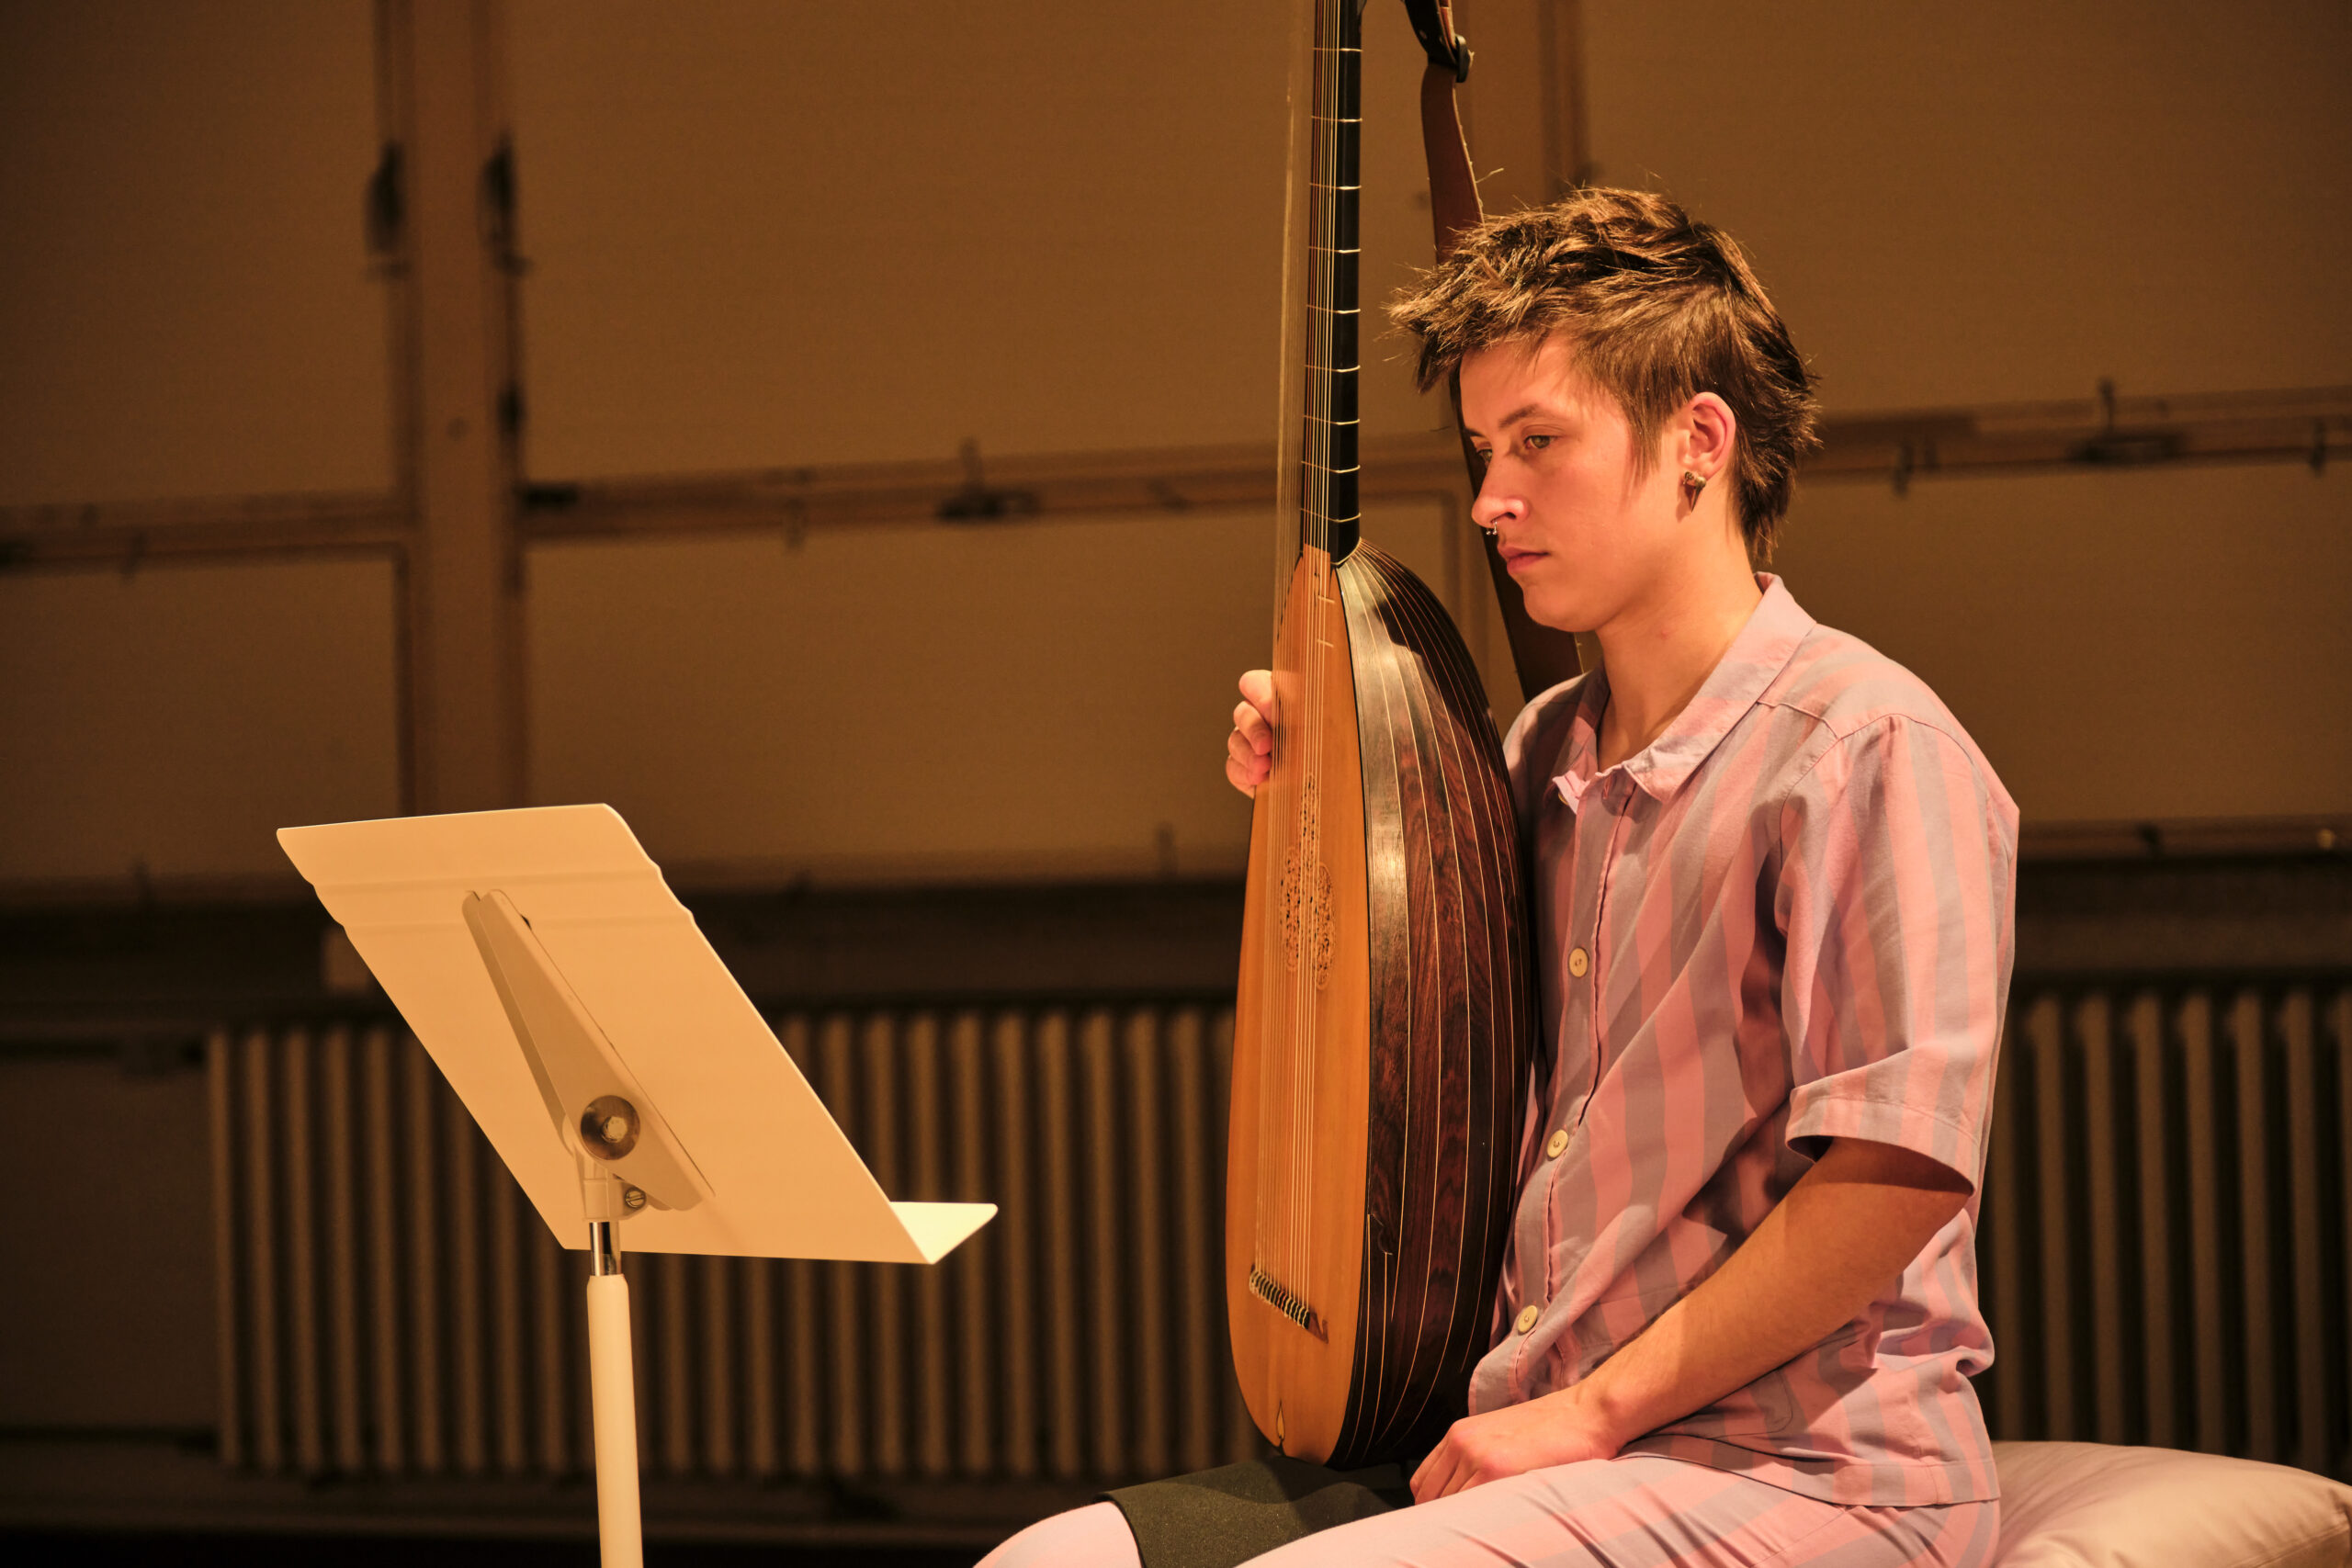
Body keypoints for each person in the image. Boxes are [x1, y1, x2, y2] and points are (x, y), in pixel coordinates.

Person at [981, 187, 2017, 1568]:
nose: (1490, 501)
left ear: (1699, 441)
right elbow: (1407, 1056)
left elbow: (1896, 1177)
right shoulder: (1533, 753)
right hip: (1555, 1449)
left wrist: (1588, 1413)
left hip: (1808, 1474)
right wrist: (1314, 792)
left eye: (1539, 441)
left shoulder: (1866, 747)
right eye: (1482, 450)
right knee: (1045, 1561)